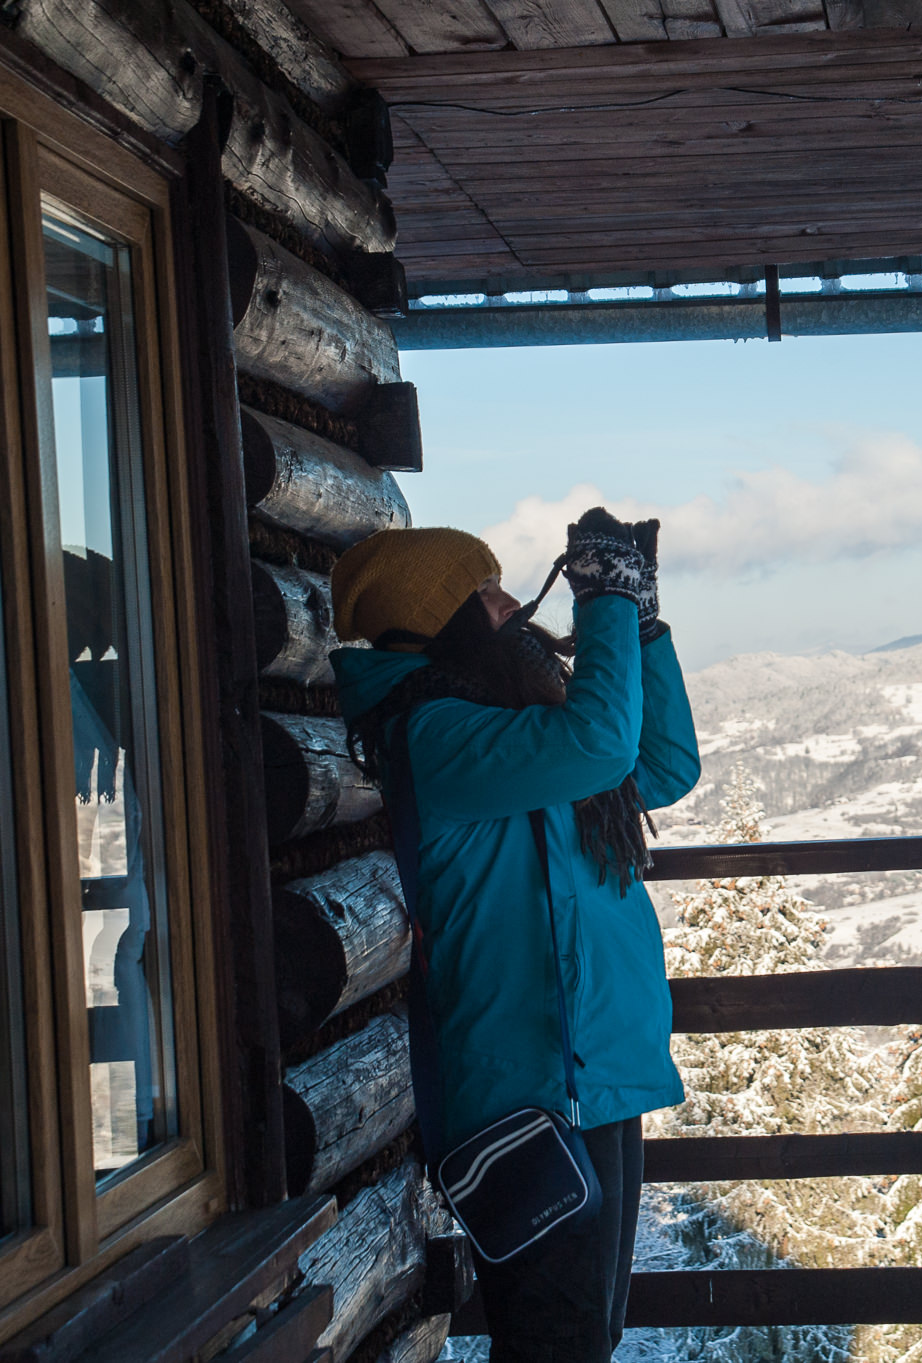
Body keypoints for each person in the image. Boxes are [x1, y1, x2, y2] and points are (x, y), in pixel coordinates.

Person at [329, 509, 700, 1362]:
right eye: (486, 593)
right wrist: (604, 597)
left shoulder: (509, 722)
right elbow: (603, 743)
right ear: (440, 625)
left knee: (584, 1337)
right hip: (522, 1093)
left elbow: (664, 762)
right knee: (554, 1345)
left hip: (593, 1072)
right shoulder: (436, 736)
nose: (513, 607)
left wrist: (640, 625)